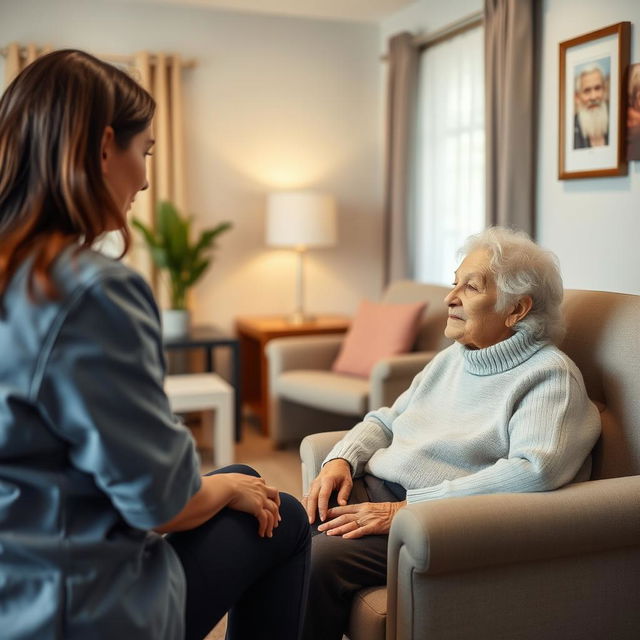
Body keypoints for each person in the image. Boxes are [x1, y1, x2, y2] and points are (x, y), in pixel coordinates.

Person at [0, 50, 310, 640]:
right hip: (71, 611)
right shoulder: (89, 291)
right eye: (143, 154)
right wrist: (220, 487)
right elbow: (159, 503)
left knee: (244, 476)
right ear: (102, 148)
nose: (144, 178)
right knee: (284, 516)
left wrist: (225, 483)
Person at [302, 227, 601, 640]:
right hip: (375, 490)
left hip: (433, 521)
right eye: (454, 282)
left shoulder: (549, 376)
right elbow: (388, 419)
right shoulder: (455, 358)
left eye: (471, 287)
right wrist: (341, 458)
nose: (450, 297)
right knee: (276, 527)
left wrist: (411, 510)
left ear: (517, 309)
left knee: (314, 559)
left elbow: (536, 471)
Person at [573, 63, 609, 148]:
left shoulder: (617, 121)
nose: (593, 97)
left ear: (605, 90)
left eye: (597, 88)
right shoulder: (571, 129)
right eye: (587, 91)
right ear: (577, 97)